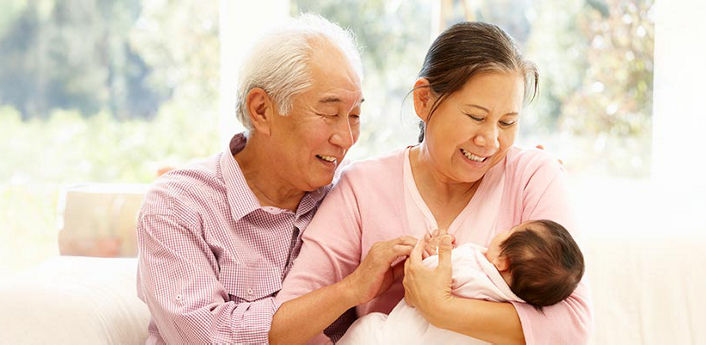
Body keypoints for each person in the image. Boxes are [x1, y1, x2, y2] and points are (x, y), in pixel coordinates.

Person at [273, 22, 593, 345]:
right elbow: (283, 328)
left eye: (508, 122)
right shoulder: (362, 188)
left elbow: (575, 326)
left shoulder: (532, 177)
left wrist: (440, 308)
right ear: (423, 100)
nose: (491, 140)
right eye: (476, 117)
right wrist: (354, 288)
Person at [134, 14, 418, 344]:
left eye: (355, 116)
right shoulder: (177, 206)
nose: (345, 137)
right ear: (262, 110)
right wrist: (349, 290)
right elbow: (209, 336)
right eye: (329, 113)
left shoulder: (352, 193)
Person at [338, 220, 586, 345]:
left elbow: (420, 285)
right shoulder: (514, 306)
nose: (502, 231)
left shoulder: (471, 266)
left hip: (398, 340)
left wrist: (430, 254)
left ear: (502, 261)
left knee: (369, 327)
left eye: (510, 231)